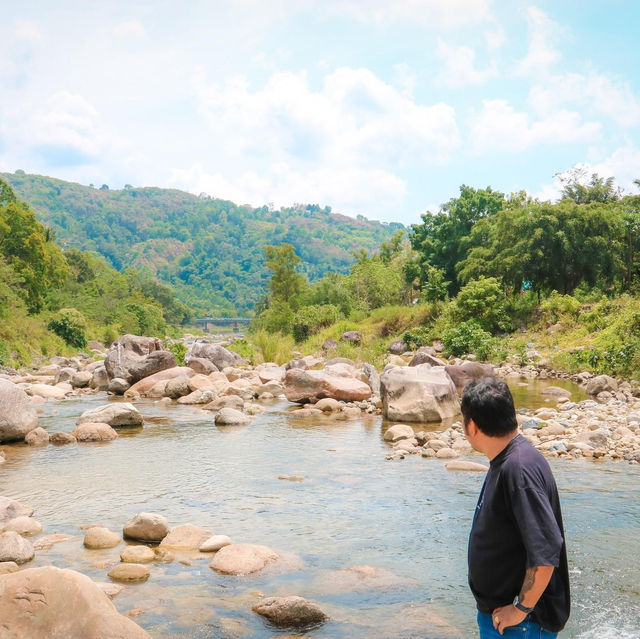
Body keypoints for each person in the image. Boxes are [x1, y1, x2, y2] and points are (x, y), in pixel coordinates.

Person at [461, 376, 570, 638]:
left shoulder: (518, 470)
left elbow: (545, 553)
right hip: (507, 620)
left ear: (472, 426)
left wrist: (521, 608)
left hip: (521, 624)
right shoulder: (510, 459)